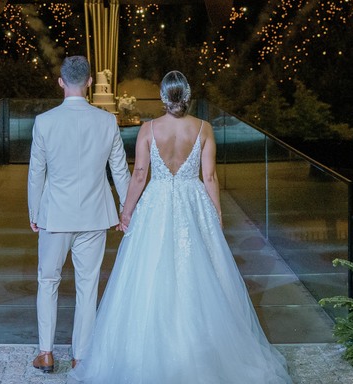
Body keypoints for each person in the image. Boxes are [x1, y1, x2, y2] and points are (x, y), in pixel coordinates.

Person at [69, 71, 294, 384]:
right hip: (193, 203)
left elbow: (139, 176)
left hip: (156, 204)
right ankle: (202, 350)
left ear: (163, 97)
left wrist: (126, 211)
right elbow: (211, 177)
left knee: (149, 273)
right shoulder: (203, 128)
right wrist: (215, 213)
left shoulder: (149, 129)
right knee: (201, 273)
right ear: (187, 96)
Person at [28, 55, 132, 373]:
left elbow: (37, 173)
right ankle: (80, 355)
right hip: (94, 215)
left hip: (55, 216)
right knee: (88, 285)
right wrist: (125, 211)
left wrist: (34, 211)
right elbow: (120, 171)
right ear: (89, 83)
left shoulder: (44, 122)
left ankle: (46, 353)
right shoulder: (106, 121)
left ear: (61, 82)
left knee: (48, 281)